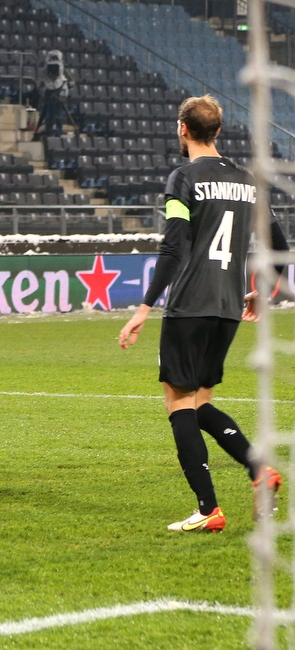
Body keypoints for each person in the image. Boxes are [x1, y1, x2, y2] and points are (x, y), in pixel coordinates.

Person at [119, 95, 288, 533]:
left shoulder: (183, 179)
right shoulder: (250, 181)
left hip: (190, 304)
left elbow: (173, 248)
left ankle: (208, 509)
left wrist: (143, 308)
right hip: (229, 308)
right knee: (202, 403)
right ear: (218, 130)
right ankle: (260, 470)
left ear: (182, 129)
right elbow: (280, 247)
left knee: (178, 405)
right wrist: (262, 295)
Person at [33, 49, 72, 138]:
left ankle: (58, 132)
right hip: (48, 94)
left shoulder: (63, 72)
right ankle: (48, 131)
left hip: (59, 93)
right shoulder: (44, 72)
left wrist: (69, 84)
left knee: (59, 116)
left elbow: (71, 81)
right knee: (48, 115)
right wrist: (41, 87)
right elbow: (39, 83)